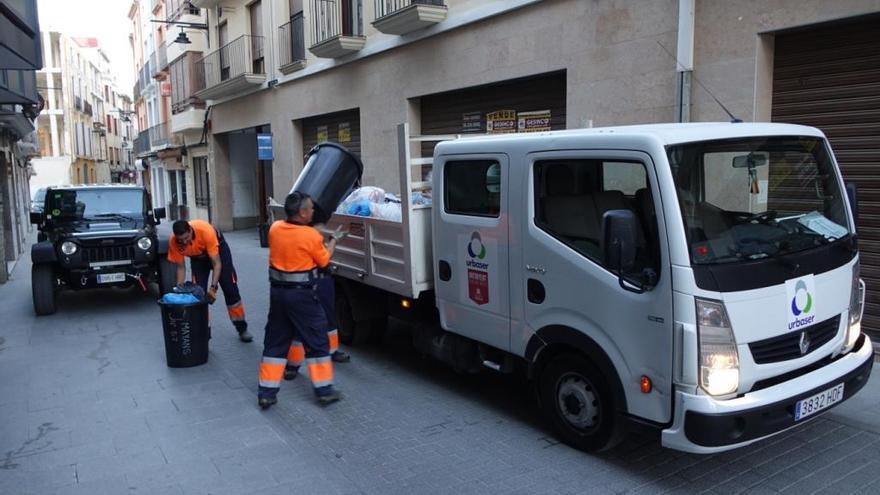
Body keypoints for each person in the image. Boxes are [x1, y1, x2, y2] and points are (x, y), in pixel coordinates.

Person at [258, 192, 345, 409]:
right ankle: (324, 390)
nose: (313, 211)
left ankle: (266, 393)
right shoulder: (310, 236)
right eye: (311, 208)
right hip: (302, 296)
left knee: (276, 342)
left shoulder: (275, 228)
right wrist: (333, 240)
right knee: (317, 341)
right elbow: (324, 262)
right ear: (303, 212)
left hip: (277, 295)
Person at [168, 219, 252, 343]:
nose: (184, 242)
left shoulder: (205, 232)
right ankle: (204, 333)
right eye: (181, 240)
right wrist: (179, 292)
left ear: (190, 230)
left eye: (186, 238)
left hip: (219, 253)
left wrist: (213, 288)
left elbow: (217, 264)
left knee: (230, 288)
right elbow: (181, 268)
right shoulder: (174, 242)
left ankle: (242, 328)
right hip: (197, 259)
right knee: (198, 295)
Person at [283, 235, 350, 382]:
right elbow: (324, 257)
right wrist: (333, 241)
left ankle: (331, 351)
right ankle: (293, 365)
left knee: (329, 317)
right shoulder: (303, 232)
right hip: (306, 280)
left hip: (320, 278)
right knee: (301, 324)